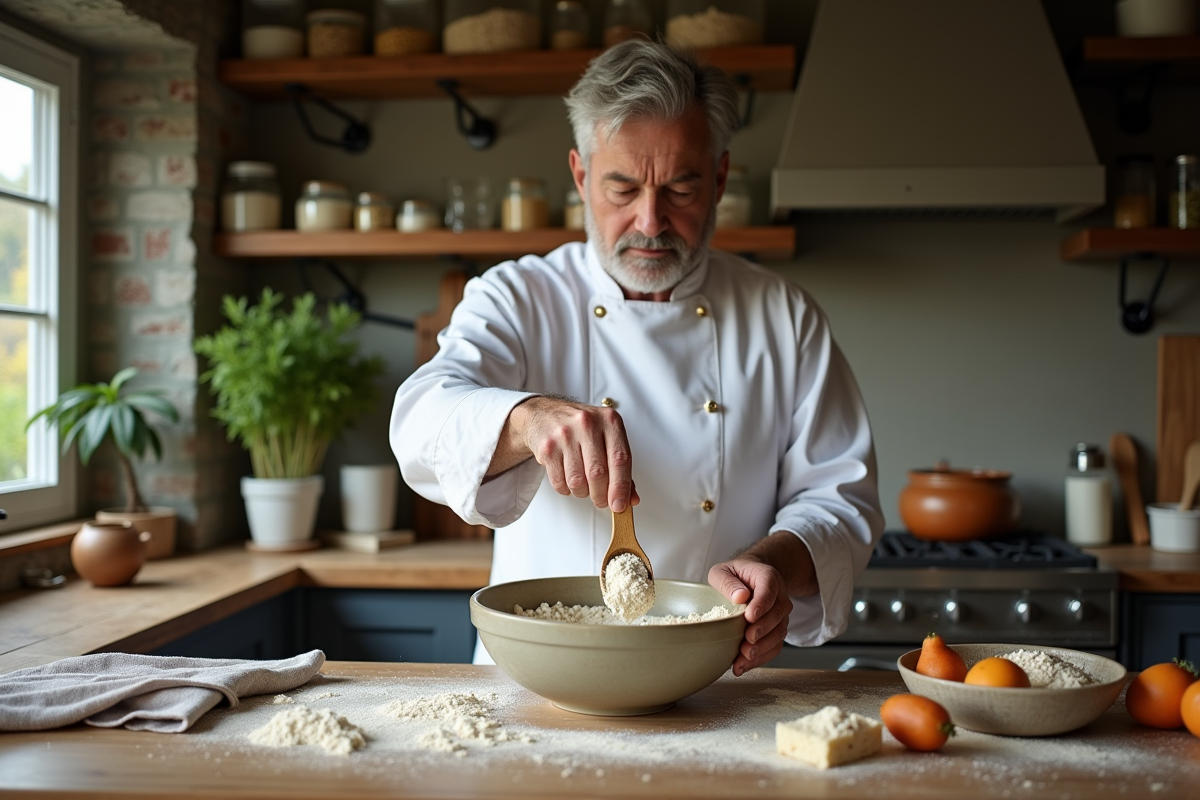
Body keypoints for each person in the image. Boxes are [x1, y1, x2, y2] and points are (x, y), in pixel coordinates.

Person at [390, 40, 884, 676]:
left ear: (720, 179)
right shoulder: (517, 296)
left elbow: (840, 500)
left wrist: (775, 565)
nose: (651, 221)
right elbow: (420, 420)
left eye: (680, 188)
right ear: (581, 176)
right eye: (622, 188)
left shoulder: (784, 317)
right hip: (535, 684)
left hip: (716, 682)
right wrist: (525, 420)